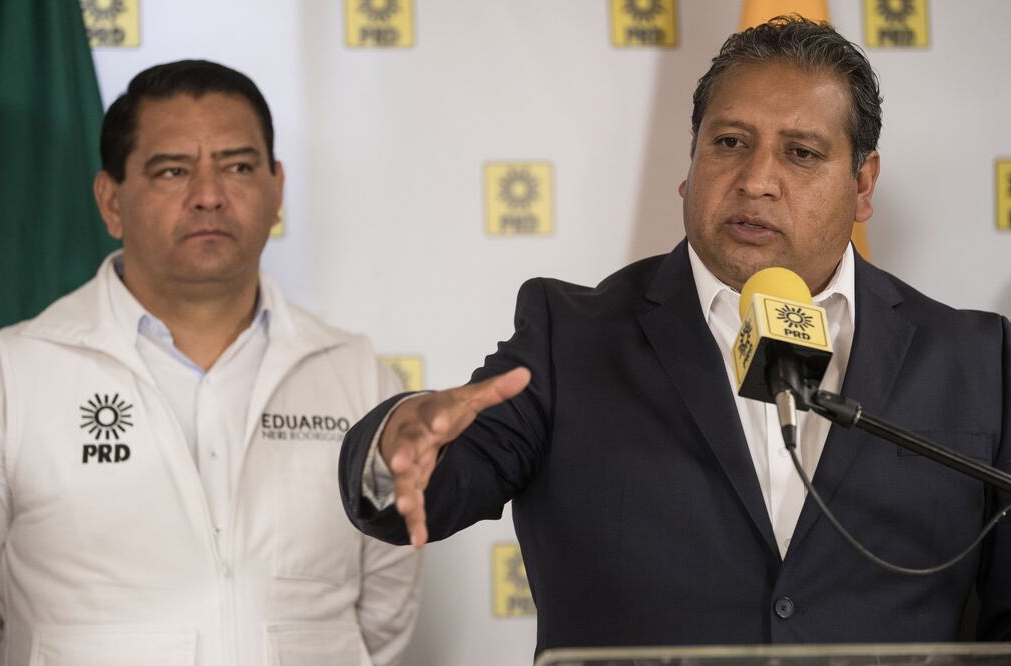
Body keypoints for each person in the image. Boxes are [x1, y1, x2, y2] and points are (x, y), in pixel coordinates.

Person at [339, 16, 1011, 653]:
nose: (756, 181)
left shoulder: (976, 360)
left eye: (801, 153)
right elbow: (441, 478)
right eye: (730, 143)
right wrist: (396, 445)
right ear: (690, 164)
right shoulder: (569, 338)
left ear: (862, 185)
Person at [0, 60, 420, 665]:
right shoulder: (2, 383)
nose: (209, 196)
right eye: (172, 171)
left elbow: (381, 620)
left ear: (277, 190)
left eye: (238, 167)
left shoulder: (358, 378)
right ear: (111, 201)